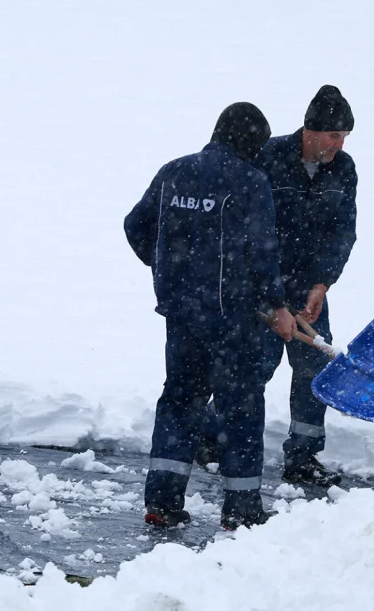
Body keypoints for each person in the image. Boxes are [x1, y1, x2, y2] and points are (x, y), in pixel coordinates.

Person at [124, 102, 295, 531]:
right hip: (231, 318)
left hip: (180, 313)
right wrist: (276, 306)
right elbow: (262, 251)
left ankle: (162, 502)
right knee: (241, 406)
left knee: (180, 400)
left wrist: (170, 269)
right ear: (251, 145)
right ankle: (241, 507)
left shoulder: (173, 172)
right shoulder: (251, 181)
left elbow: (135, 226)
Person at [251, 85, 358, 486]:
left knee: (315, 369)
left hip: (309, 289)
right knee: (254, 367)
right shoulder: (269, 156)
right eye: (334, 135)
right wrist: (269, 288)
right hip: (262, 285)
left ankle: (303, 456)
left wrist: (322, 283)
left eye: (345, 136)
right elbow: (252, 226)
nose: (339, 144)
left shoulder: (343, 169)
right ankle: (217, 437)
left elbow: (342, 231)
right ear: (310, 130)